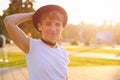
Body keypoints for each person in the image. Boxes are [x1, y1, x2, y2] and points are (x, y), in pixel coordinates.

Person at [4, 4, 69, 80]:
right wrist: (37, 14)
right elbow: (9, 21)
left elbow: (65, 77)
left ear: (62, 27)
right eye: (48, 24)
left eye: (57, 24)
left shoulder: (63, 51)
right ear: (39, 26)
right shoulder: (31, 46)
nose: (53, 29)